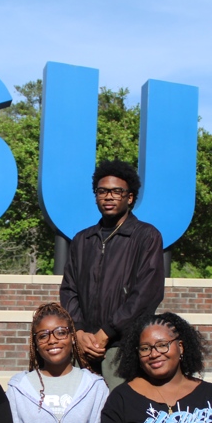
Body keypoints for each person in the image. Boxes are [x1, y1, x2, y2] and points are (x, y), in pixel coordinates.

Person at [60, 159, 165, 391]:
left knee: (120, 410)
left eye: (117, 191)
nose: (108, 197)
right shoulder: (82, 240)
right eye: (102, 191)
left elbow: (147, 293)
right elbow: (69, 290)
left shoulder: (146, 236)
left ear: (130, 197)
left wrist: (107, 332)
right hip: (84, 345)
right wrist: (78, 331)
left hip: (122, 346)